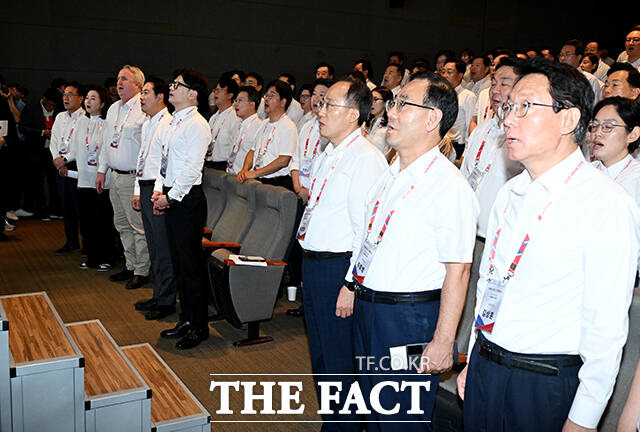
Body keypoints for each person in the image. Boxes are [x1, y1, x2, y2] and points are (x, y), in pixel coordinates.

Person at [457, 58, 640, 432]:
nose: (508, 118)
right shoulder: (510, 192)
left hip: (541, 384)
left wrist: (584, 419)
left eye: (525, 106)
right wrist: (475, 357)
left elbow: (605, 330)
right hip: (485, 371)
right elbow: (489, 284)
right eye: (509, 106)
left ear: (568, 120)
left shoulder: (606, 202)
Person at [350, 71, 478, 430]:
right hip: (370, 309)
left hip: (408, 321)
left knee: (401, 419)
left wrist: (442, 341)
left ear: (433, 118)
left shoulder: (449, 187)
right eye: (393, 103)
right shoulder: (390, 173)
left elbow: (459, 271)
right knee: (372, 413)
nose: (391, 112)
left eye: (403, 103)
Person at [296, 78, 387, 430]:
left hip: (339, 271)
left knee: (340, 362)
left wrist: (351, 284)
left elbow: (368, 233)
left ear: (352, 115)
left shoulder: (366, 158)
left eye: (329, 104)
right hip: (315, 265)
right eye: (321, 103)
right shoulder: (329, 153)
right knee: (321, 357)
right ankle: (333, 424)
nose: (320, 110)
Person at [460, 57, 524, 333]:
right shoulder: (484, 128)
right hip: (468, 233)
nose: (496, 89)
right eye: (494, 82)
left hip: (498, 239)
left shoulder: (524, 134)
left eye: (505, 83)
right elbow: (465, 176)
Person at [152, 68, 212, 350]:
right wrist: (157, 190)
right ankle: (186, 318)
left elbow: (191, 169)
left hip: (187, 200)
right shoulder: (173, 121)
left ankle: (200, 327)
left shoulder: (198, 124)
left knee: (191, 266)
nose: (171, 88)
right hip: (173, 195)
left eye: (178, 84)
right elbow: (164, 162)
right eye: (172, 83)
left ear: (193, 93)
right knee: (178, 263)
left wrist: (171, 197)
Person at [97, 65, 150, 290]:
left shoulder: (143, 109)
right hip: (115, 177)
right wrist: (102, 170)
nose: (119, 82)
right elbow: (106, 143)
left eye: (125, 79)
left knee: (137, 227)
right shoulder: (113, 109)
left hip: (132, 178)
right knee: (121, 224)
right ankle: (130, 265)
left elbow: (147, 150)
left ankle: (142, 270)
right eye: (118, 78)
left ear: (138, 85)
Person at [131, 77, 177, 320]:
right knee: (153, 247)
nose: (142, 97)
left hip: (159, 189)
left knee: (163, 247)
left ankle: (167, 300)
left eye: (146, 92)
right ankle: (159, 294)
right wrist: (138, 190)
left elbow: (164, 164)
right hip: (146, 186)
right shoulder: (148, 123)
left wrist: (157, 192)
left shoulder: (168, 123)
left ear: (161, 97)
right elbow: (142, 158)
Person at [72, 86, 116, 271]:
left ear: (103, 103)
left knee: (103, 220)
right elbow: (74, 148)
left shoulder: (107, 123)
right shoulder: (82, 121)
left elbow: (107, 151)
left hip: (102, 179)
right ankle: (91, 256)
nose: (88, 102)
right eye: (87, 98)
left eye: (93, 98)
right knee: (87, 220)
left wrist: (101, 171)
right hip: (84, 178)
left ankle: (107, 257)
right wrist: (62, 160)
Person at [236, 80, 297, 190]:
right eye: (267, 95)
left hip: (277, 183)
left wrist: (255, 173)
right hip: (259, 179)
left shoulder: (288, 126)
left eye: (272, 95)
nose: (267, 98)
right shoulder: (264, 123)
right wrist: (245, 170)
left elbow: (284, 160)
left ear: (283, 102)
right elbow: (253, 151)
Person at [50, 82, 86, 255]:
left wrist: (64, 159)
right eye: (64, 94)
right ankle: (71, 242)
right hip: (59, 164)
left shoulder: (85, 118)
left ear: (81, 98)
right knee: (66, 206)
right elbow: (54, 141)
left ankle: (87, 244)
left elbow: (80, 146)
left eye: (70, 94)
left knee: (81, 207)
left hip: (77, 165)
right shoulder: (60, 117)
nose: (66, 98)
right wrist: (57, 159)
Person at [18, 87, 61, 219]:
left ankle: (55, 210)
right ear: (43, 100)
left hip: (52, 152)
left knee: (54, 182)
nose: (51, 108)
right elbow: (22, 128)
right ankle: (41, 211)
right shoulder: (31, 109)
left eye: (54, 106)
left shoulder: (58, 112)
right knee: (37, 183)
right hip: (35, 152)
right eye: (49, 105)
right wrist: (42, 133)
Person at [590, 97, 640, 210]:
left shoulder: (636, 178)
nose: (597, 133)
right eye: (595, 126)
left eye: (607, 127)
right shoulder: (584, 171)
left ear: (633, 134)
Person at [290, 79, 331, 204]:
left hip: (318, 195)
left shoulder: (331, 130)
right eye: (314, 94)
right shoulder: (307, 126)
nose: (316, 98)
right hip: (298, 190)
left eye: (322, 95)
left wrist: (310, 191)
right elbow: (296, 159)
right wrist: (298, 188)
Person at [443, 58, 478, 158]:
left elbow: (469, 125)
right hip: (442, 144)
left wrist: (466, 152)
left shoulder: (468, 96)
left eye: (449, 72)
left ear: (460, 75)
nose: (445, 75)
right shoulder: (442, 95)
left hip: (458, 146)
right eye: (444, 72)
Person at [206, 75, 241, 170]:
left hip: (223, 165)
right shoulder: (213, 117)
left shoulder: (235, 117)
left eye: (220, 90)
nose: (215, 93)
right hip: (208, 162)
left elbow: (235, 146)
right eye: (215, 90)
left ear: (230, 95)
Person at [226, 86, 263, 175]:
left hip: (245, 178)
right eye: (236, 100)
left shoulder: (260, 126)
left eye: (240, 100)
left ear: (252, 105)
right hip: (230, 173)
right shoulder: (238, 123)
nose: (236, 104)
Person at [558, 40, 603, 104]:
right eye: (561, 54)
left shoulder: (589, 79)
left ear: (578, 57)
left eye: (567, 54)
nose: (562, 58)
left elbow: (593, 107)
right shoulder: (557, 78)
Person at [362, 86, 393, 160]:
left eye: (375, 99)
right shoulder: (367, 123)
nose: (372, 103)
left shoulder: (388, 127)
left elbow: (387, 156)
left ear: (386, 103)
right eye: (371, 99)